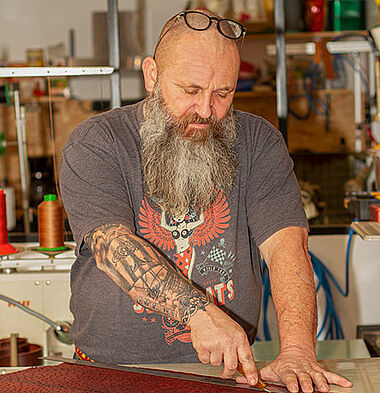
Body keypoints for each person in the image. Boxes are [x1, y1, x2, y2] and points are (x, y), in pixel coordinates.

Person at [60, 9, 352, 393]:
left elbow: (286, 247)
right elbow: (113, 245)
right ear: (152, 75)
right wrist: (199, 312)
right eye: (191, 90)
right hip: (108, 373)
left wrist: (297, 351)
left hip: (226, 375)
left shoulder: (257, 142)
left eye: (223, 93)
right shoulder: (98, 142)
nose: (206, 110)